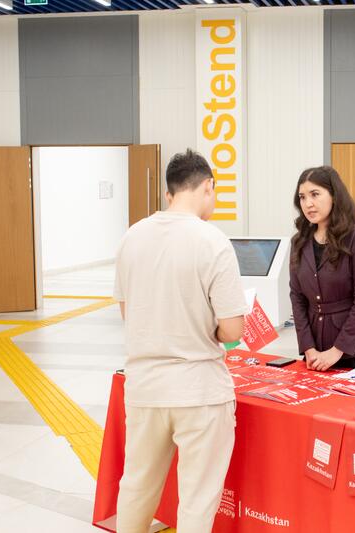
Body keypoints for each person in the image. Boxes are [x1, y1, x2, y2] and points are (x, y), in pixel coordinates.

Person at [114, 149, 247, 533]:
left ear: (169, 191)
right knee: (196, 502)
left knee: (137, 487)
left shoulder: (132, 237)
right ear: (208, 187)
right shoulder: (213, 241)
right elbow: (233, 330)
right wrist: (208, 329)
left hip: (144, 389)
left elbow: (128, 312)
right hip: (199, 392)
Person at [289, 166, 355, 372]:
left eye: (315, 194)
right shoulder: (299, 242)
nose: (308, 203)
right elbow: (297, 298)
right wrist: (308, 347)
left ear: (334, 195)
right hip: (316, 350)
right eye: (302, 197)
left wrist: (337, 350)